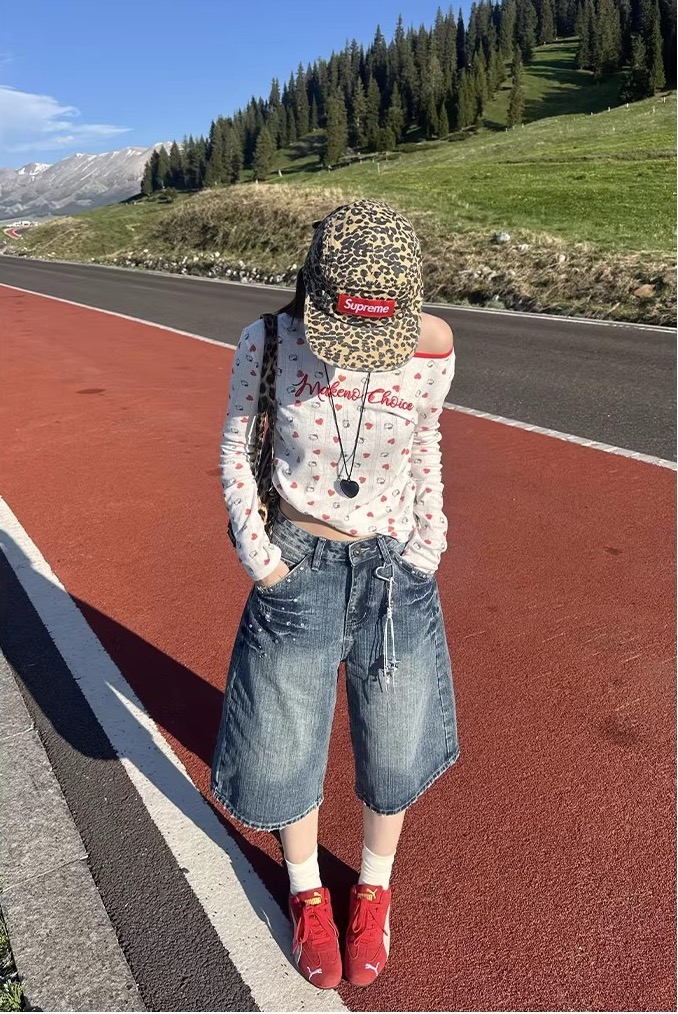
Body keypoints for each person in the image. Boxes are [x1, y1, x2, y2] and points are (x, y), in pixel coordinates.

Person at [211, 198, 460, 990]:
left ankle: (374, 889)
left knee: (396, 743)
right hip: (296, 562)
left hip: (394, 569)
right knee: (283, 745)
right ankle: (308, 891)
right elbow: (235, 445)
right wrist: (262, 559)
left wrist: (428, 545)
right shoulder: (269, 340)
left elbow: (425, 438)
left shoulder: (433, 347)